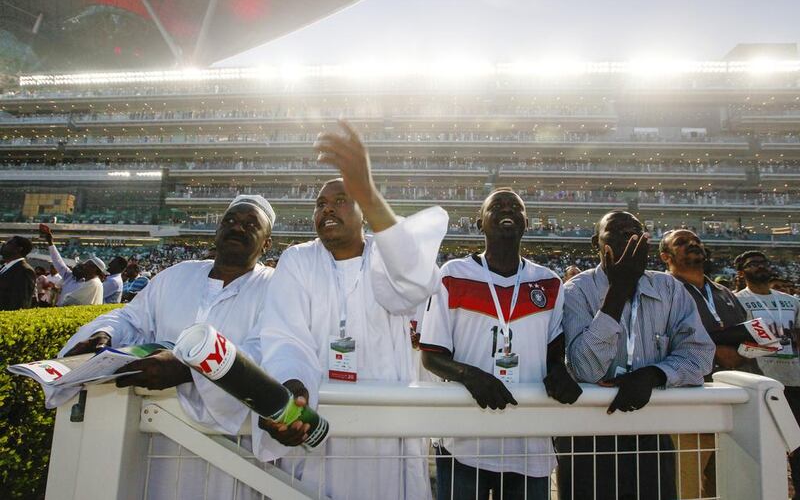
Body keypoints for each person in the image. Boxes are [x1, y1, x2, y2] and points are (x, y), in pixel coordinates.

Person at [49, 195, 302, 500]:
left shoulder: (277, 286)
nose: (238, 228)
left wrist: (187, 370)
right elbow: (132, 318)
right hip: (153, 439)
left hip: (233, 449)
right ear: (217, 231)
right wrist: (105, 334)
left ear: (267, 243)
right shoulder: (177, 275)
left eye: (251, 225)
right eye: (230, 222)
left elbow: (268, 351)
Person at [252, 120, 448, 500]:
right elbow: (285, 336)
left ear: (364, 208)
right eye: (321, 203)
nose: (328, 209)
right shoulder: (298, 260)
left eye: (341, 200)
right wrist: (292, 389)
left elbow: (416, 284)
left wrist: (370, 193)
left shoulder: (386, 254)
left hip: (384, 434)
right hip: (322, 426)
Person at [420, 188, 582, 500]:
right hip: (465, 438)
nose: (506, 209)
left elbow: (553, 357)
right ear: (479, 222)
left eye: (515, 207)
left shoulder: (548, 282)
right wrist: (471, 375)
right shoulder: (453, 274)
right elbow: (431, 356)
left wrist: (559, 373)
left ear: (526, 222)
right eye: (497, 205)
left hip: (528, 441)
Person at [557, 211, 714, 500]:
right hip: (588, 434)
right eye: (615, 233)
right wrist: (618, 291)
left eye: (635, 233)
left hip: (651, 428)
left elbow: (700, 355)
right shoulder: (575, 291)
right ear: (597, 243)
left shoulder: (669, 287)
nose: (628, 239)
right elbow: (585, 369)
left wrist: (655, 374)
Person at [659, 229, 750, 499]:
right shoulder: (661, 291)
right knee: (685, 486)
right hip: (688, 402)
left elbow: (748, 335)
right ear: (666, 256)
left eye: (696, 241)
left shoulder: (724, 292)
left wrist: (743, 352)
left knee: (732, 485)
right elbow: (659, 339)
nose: (693, 245)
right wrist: (715, 350)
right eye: (682, 243)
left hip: (735, 402)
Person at [734, 250, 800, 499]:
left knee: (797, 444)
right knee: (767, 444)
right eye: (752, 264)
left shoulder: (792, 301)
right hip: (761, 382)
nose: (760, 267)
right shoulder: (737, 300)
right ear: (741, 273)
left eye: (763, 262)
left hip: (794, 381)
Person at [39, 224, 84, 306]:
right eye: (75, 267)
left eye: (78, 267)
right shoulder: (69, 276)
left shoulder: (87, 284)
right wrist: (50, 243)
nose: (74, 268)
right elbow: (58, 261)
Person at [0, 235, 36, 311]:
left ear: (18, 249)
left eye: (9, 243)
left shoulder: (24, 271)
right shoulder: (5, 267)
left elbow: (20, 304)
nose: (4, 244)